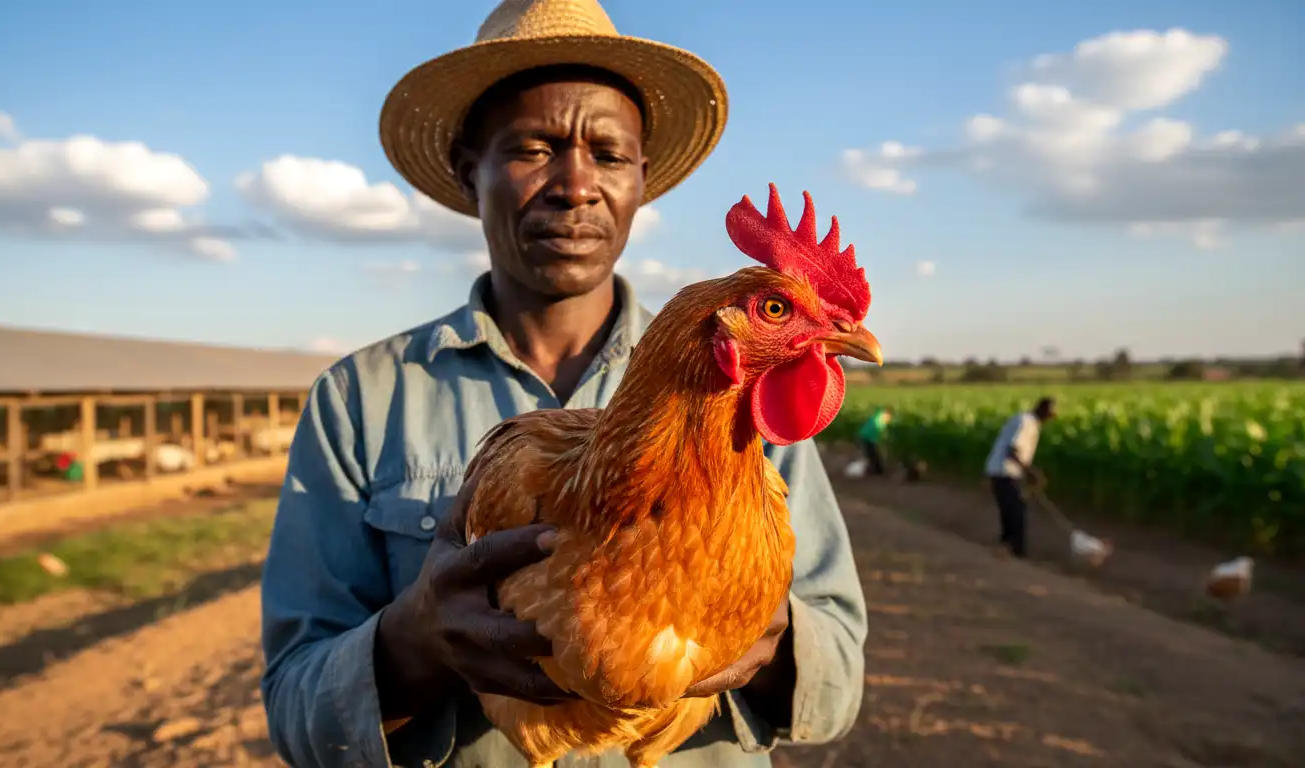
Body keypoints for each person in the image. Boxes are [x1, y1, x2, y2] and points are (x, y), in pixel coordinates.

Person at [258, 2, 868, 766]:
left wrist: (765, 632)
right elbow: (293, 710)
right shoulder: (361, 400)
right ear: (467, 169)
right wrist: (417, 635)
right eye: (533, 148)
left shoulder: (748, 416)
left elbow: (840, 683)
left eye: (609, 155)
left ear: (642, 180)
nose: (574, 184)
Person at [983, 397, 1056, 558]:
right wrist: (1032, 472)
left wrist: (1027, 471)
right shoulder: (1027, 423)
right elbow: (1013, 452)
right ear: (1042, 410)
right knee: (1016, 509)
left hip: (1000, 470)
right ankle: (1016, 549)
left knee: (1009, 508)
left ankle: (1007, 543)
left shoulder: (1023, 419)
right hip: (1005, 470)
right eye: (1050, 414)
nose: (1050, 419)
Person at [855, 406, 893, 477]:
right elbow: (879, 430)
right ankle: (877, 471)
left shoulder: (878, 416)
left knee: (871, 454)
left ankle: (876, 470)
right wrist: (883, 440)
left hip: (865, 436)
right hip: (867, 437)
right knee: (872, 454)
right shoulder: (882, 418)